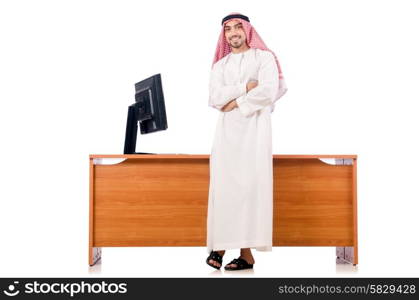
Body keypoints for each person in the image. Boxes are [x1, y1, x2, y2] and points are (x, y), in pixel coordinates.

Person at [205, 12, 288, 271]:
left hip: (255, 134)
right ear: (224, 35)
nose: (233, 33)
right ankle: (220, 247)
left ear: (247, 30)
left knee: (250, 191)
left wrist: (235, 102)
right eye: (228, 29)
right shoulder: (220, 65)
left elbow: (269, 89)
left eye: (238, 27)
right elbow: (215, 97)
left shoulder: (264, 57)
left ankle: (246, 253)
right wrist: (245, 88)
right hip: (226, 136)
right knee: (225, 189)